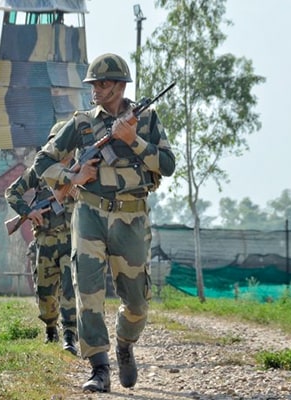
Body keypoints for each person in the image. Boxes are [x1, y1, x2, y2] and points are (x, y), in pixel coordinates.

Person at [32, 53, 176, 392]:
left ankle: (125, 344)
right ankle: (99, 367)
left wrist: (133, 141)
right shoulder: (81, 123)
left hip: (132, 216)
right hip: (90, 214)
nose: (95, 89)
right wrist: (74, 174)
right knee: (88, 291)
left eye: (103, 83)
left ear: (121, 86)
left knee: (137, 301)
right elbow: (42, 161)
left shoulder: (149, 120)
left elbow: (168, 165)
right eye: (93, 84)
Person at [4, 121, 78, 355]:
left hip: (70, 240)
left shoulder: (80, 169)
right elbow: (12, 192)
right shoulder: (39, 171)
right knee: (45, 292)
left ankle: (69, 335)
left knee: (70, 288)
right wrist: (29, 212)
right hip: (45, 242)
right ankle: (50, 329)